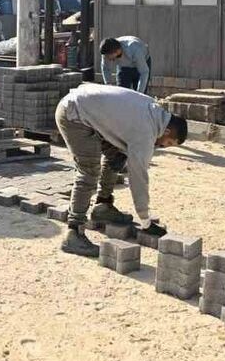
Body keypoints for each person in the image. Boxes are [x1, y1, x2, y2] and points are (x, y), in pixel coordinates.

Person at [54, 83, 187, 257]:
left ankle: (103, 206)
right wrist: (146, 222)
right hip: (73, 115)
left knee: (117, 155)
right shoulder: (146, 132)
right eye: (168, 142)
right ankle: (73, 233)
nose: (163, 145)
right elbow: (138, 179)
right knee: (89, 171)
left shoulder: (153, 111)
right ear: (167, 130)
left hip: (86, 110)